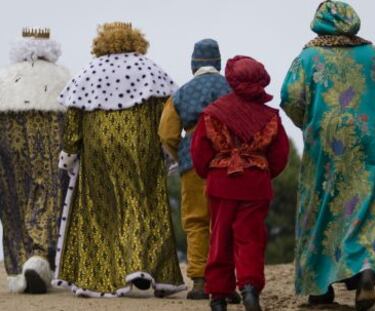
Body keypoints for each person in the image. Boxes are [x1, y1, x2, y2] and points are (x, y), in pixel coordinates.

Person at [280, 1, 375, 310]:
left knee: (321, 207)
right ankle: (365, 271)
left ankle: (321, 290)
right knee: (366, 205)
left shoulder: (308, 57)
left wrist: (308, 123)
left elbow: (291, 98)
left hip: (324, 143)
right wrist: (373, 116)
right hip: (368, 142)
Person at [53, 22, 185, 298]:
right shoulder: (150, 70)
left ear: (100, 43)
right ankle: (140, 267)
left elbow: (74, 120)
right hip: (141, 147)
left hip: (99, 150)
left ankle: (103, 275)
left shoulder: (88, 72)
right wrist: (170, 151)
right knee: (141, 203)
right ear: (137, 41)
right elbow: (166, 114)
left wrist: (69, 152)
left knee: (101, 211)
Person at [191, 55, 290, 311]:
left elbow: (200, 153)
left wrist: (211, 173)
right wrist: (262, 172)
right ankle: (249, 288)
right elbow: (280, 156)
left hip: (221, 183)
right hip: (255, 184)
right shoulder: (270, 117)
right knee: (250, 239)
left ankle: (218, 296)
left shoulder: (213, 113)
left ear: (232, 79)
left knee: (220, 236)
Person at [158, 38, 234, 300]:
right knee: (225, 221)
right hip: (228, 163)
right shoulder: (231, 88)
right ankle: (226, 282)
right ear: (218, 62)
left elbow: (167, 132)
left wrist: (182, 151)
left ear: (193, 64)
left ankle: (200, 281)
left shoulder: (181, 93)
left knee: (195, 221)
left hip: (193, 162)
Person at [0, 28, 70, 294]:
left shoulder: (4, 79)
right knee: (49, 187)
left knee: (12, 194)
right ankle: (39, 255)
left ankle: (20, 264)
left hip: (8, 126)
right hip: (53, 126)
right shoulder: (63, 77)